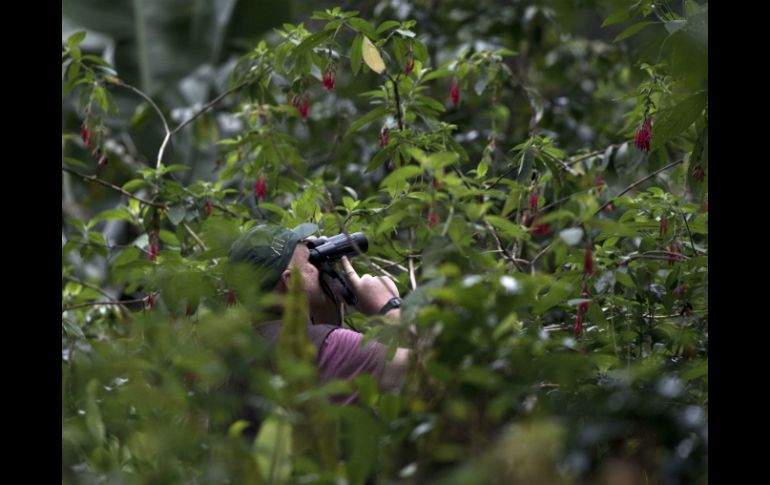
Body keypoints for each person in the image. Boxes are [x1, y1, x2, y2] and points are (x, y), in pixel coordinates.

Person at [227, 223, 411, 400]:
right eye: (309, 261)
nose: (316, 269)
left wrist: (328, 298)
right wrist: (389, 306)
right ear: (291, 281)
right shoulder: (332, 347)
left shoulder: (234, 362)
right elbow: (429, 367)